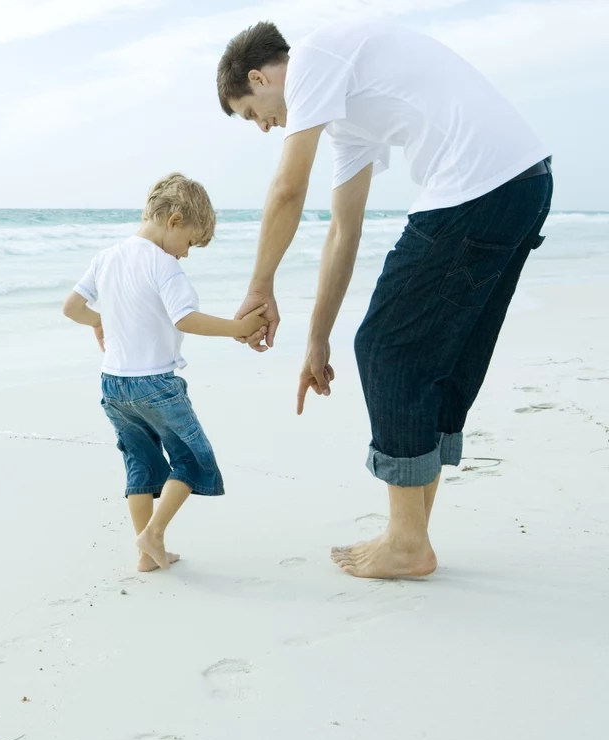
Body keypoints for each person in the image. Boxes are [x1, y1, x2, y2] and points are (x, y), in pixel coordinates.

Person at [217, 20, 553, 578]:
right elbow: (342, 232)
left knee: (386, 348)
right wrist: (317, 339)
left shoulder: (314, 59)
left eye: (252, 112)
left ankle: (405, 544)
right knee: (438, 359)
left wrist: (259, 287)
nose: (263, 127)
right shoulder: (349, 117)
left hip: (479, 185)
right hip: (524, 184)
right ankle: (412, 533)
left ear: (261, 76)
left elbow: (286, 189)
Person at [62, 173, 268, 572]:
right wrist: (238, 328)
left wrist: (99, 322)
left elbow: (71, 308)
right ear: (174, 220)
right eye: (190, 242)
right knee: (192, 459)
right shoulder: (165, 266)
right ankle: (153, 534)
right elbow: (186, 318)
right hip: (155, 383)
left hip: (113, 383)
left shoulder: (106, 257)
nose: (186, 253)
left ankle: (146, 555)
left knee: (140, 461)